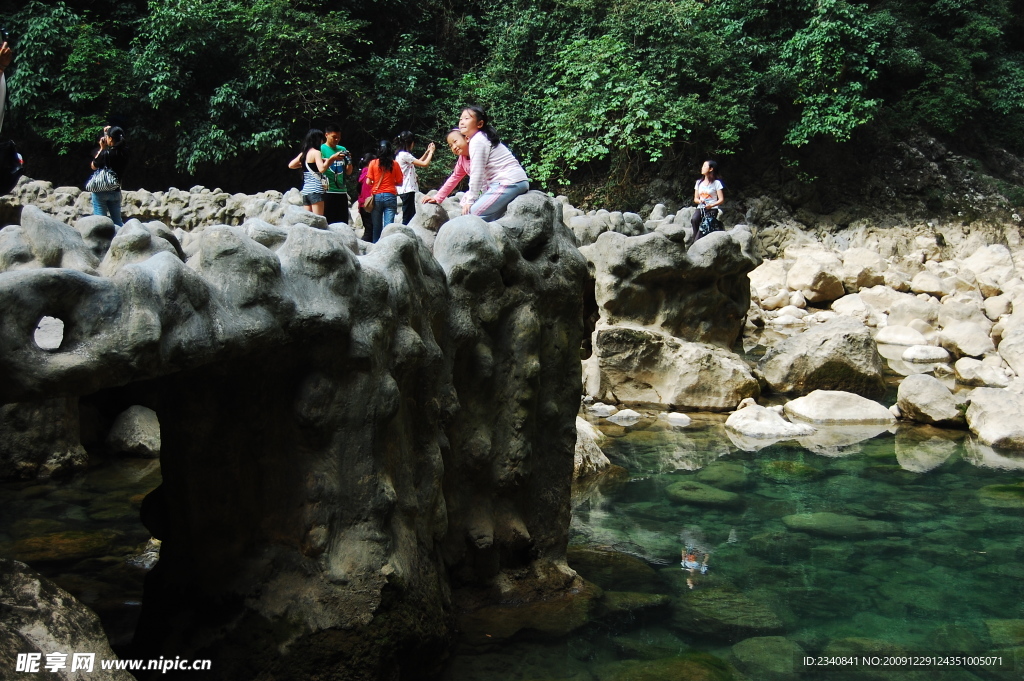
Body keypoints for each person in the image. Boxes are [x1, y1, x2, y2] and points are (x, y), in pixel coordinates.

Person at [458, 105, 529, 222]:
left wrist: (470, 201)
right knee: (490, 218)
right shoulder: (482, 138)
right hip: (515, 181)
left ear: (479, 124)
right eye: (461, 119)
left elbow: (477, 173)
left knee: (471, 215)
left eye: (466, 118)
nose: (462, 122)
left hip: (508, 182)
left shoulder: (477, 140)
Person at [288, 129, 346, 216]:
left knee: (309, 220)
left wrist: (306, 165)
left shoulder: (304, 153)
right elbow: (322, 169)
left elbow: (291, 165)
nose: (322, 142)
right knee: (318, 220)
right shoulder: (316, 152)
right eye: (321, 139)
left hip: (306, 192)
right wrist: (332, 158)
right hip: (316, 190)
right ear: (318, 139)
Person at [393, 130, 435, 225]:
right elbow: (424, 164)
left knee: (410, 214)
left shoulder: (400, 154)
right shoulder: (405, 155)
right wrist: (431, 152)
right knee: (408, 216)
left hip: (404, 189)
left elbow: (418, 161)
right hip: (407, 188)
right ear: (411, 143)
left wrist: (427, 152)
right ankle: (405, 234)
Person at [366, 139, 403, 243]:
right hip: (390, 196)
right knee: (388, 227)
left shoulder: (373, 163)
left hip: (376, 196)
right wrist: (391, 183)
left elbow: (368, 182)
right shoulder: (395, 164)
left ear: (379, 150)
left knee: (376, 227)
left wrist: (376, 183)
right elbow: (400, 182)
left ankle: (375, 247)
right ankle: (387, 246)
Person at [90, 126, 128, 226]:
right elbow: (117, 144)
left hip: (101, 191)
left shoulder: (105, 153)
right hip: (115, 190)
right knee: (118, 222)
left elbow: (93, 165)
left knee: (100, 222)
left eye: (107, 137)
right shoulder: (125, 153)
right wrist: (108, 132)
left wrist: (101, 149)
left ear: (110, 138)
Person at [423, 129, 471, 206]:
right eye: (451, 146)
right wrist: (437, 197)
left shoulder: (478, 151)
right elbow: (454, 178)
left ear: (466, 138)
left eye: (455, 141)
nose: (454, 147)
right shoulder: (462, 159)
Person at [321, 124, 353, 225]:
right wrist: (332, 158)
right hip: (327, 191)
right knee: (328, 222)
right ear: (326, 135)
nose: (337, 139)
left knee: (343, 223)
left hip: (341, 191)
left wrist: (349, 161)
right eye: (334, 137)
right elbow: (320, 169)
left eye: (339, 137)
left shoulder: (342, 149)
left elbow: (348, 172)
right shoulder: (321, 149)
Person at [690, 160, 725, 242]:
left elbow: (721, 199)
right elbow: (695, 199)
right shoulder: (699, 182)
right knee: (694, 219)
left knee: (705, 223)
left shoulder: (717, 183)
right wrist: (700, 201)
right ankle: (696, 240)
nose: (702, 168)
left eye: (704, 166)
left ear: (711, 169)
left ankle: (696, 243)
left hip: (712, 208)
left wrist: (712, 205)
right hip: (701, 207)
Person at [356, 152, 376, 241]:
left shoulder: (361, 173)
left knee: (368, 229)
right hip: (369, 204)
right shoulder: (369, 174)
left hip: (362, 204)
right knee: (371, 230)